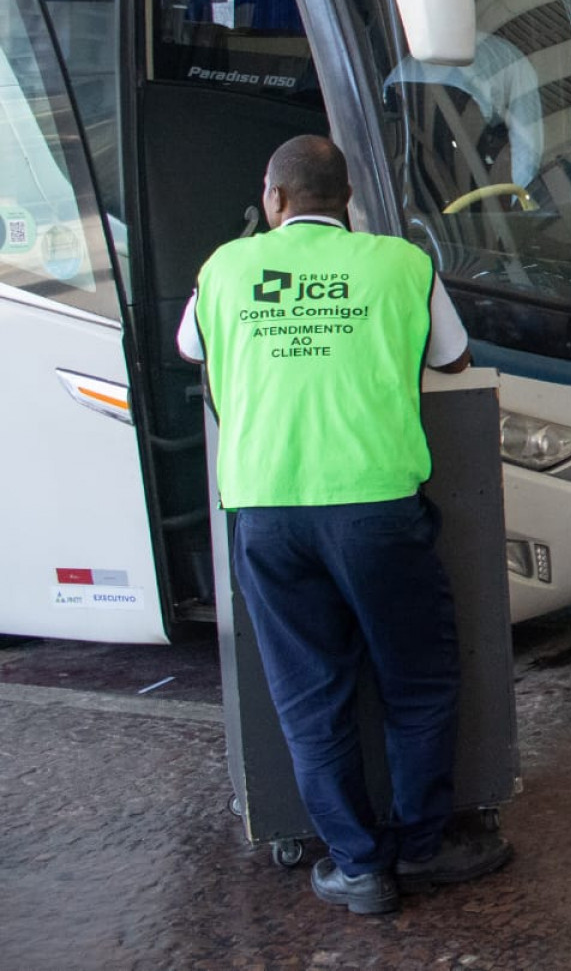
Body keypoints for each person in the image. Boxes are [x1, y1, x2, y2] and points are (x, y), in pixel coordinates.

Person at [178, 135, 511, 915]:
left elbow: (190, 346)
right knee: (417, 679)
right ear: (348, 198)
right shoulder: (398, 262)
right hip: (374, 508)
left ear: (274, 198)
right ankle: (423, 846)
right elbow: (455, 359)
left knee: (310, 692)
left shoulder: (225, 267)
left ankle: (358, 866)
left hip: (266, 510)